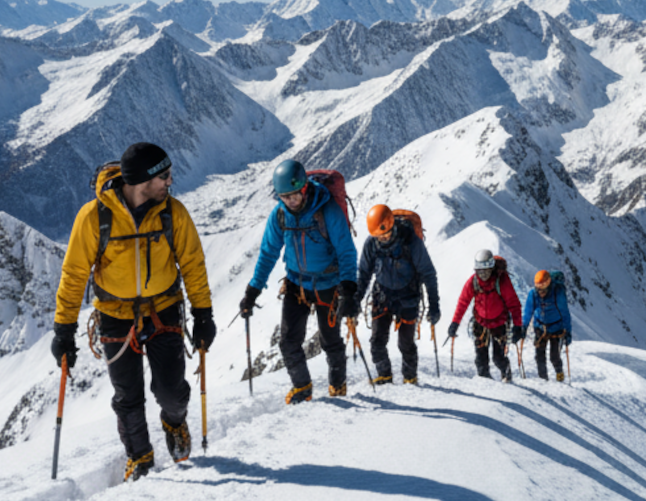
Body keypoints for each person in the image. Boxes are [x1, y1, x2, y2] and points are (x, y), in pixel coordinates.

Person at [50, 142, 216, 482]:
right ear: (143, 180)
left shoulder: (173, 213)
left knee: (170, 390)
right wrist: (63, 331)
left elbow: (193, 265)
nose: (170, 182)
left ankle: (174, 420)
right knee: (128, 395)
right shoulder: (94, 217)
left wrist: (203, 315)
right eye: (165, 176)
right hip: (114, 314)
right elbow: (74, 274)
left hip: (164, 309)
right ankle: (140, 458)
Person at [237, 160, 358, 404]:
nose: (291, 201)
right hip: (296, 284)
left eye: (294, 195)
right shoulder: (280, 215)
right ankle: (302, 388)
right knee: (289, 341)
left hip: (328, 285)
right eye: (285, 196)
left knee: (330, 340)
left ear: (304, 188)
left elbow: (346, 252)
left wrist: (348, 289)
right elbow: (268, 253)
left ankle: (338, 385)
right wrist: (253, 290)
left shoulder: (327, 210)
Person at [356, 205, 440, 385]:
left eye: (385, 234)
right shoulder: (371, 244)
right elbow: (364, 273)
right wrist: (356, 300)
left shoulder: (411, 241)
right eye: (379, 236)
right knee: (377, 341)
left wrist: (434, 305)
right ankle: (384, 376)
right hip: (382, 295)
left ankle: (410, 378)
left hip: (408, 297)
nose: (383, 239)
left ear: (392, 225)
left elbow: (428, 273)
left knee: (406, 343)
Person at [447, 249, 522, 382]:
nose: (483, 275)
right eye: (480, 271)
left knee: (498, 358)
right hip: (480, 323)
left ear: (492, 269)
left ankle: (506, 374)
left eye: (486, 271)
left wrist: (517, 326)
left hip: (499, 323)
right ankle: (485, 384)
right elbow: (463, 302)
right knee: (480, 359)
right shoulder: (473, 282)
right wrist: (455, 323)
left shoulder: (501, 281)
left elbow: (513, 304)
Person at [524, 270, 572, 381]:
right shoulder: (533, 294)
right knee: (539, 356)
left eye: (543, 286)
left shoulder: (557, 292)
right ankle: (543, 379)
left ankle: (559, 372)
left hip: (556, 328)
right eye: (539, 286)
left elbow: (564, 312)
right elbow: (528, 312)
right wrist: (523, 327)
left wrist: (567, 331)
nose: (541, 289)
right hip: (540, 328)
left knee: (554, 356)